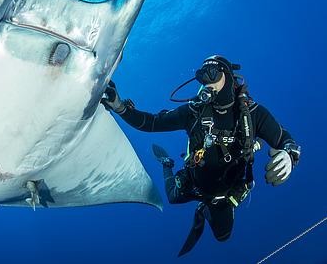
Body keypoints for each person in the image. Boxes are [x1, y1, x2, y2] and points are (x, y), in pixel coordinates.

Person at [101, 55, 301, 256]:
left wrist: (289, 155)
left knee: (223, 236)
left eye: (212, 75)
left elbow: (283, 137)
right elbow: (152, 123)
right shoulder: (194, 111)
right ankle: (166, 163)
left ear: (229, 76)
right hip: (194, 182)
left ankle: (204, 210)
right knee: (171, 198)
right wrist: (120, 107)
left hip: (225, 193)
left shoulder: (253, 114)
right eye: (202, 77)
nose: (207, 82)